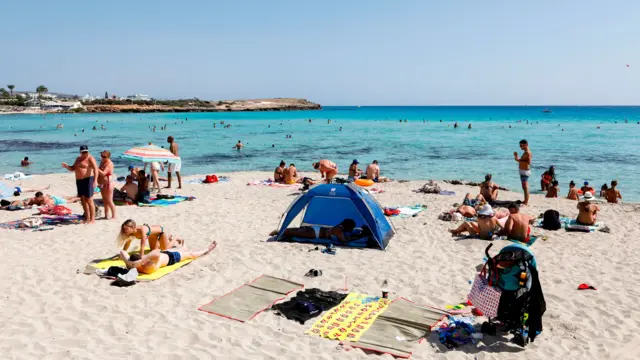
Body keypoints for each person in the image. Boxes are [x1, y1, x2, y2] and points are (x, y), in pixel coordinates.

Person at [118, 241, 217, 275]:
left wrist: (129, 261)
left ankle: (183, 246)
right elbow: (156, 253)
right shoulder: (147, 267)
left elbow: (122, 252)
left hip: (163, 254)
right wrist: (143, 259)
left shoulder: (130, 265)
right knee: (190, 254)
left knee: (183, 249)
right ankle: (206, 250)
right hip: (172, 258)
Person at [62, 145, 98, 224]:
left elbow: (96, 169)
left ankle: (92, 219)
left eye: (86, 152)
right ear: (80, 152)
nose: (85, 153)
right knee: (83, 199)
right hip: (79, 181)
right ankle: (87, 217)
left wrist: (95, 181)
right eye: (83, 152)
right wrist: (66, 166)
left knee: (89, 200)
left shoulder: (90, 158)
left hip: (88, 179)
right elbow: (73, 168)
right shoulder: (78, 159)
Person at [116, 219, 184, 255]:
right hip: (152, 234)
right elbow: (127, 243)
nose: (124, 231)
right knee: (154, 250)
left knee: (164, 249)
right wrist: (123, 253)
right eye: (124, 229)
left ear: (133, 227)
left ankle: (175, 238)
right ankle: (167, 238)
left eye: (126, 229)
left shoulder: (141, 230)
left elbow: (142, 244)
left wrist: (141, 256)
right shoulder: (131, 233)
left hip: (160, 232)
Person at [271, 219, 361, 243]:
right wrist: (354, 238)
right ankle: (278, 232)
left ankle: (280, 231)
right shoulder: (339, 231)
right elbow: (343, 241)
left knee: (297, 231)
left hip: (316, 229)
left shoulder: (339, 227)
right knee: (296, 232)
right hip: (315, 233)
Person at [97, 150, 116, 220]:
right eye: (102, 156)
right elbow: (99, 172)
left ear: (108, 156)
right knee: (104, 200)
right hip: (102, 183)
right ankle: (106, 215)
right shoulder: (102, 162)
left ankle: (114, 215)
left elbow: (103, 173)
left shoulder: (110, 164)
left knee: (109, 200)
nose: (102, 157)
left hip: (108, 183)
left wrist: (96, 168)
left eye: (104, 156)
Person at [514, 139, 531, 205]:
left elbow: (528, 162)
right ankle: (525, 200)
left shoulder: (527, 152)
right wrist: (516, 157)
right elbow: (521, 160)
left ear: (526, 145)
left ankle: (526, 201)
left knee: (525, 187)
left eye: (521, 145)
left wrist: (518, 160)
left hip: (525, 171)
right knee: (524, 187)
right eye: (520, 145)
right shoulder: (525, 152)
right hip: (523, 170)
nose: (520, 147)